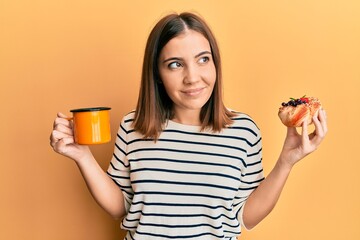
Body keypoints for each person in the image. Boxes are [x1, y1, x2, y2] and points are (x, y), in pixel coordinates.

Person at [50, 12, 328, 240]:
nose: (192, 77)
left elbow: (245, 216)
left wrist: (286, 161)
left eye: (203, 60)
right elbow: (119, 208)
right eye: (174, 65)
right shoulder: (132, 127)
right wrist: (82, 156)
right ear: (157, 74)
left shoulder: (244, 131)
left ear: (215, 64)